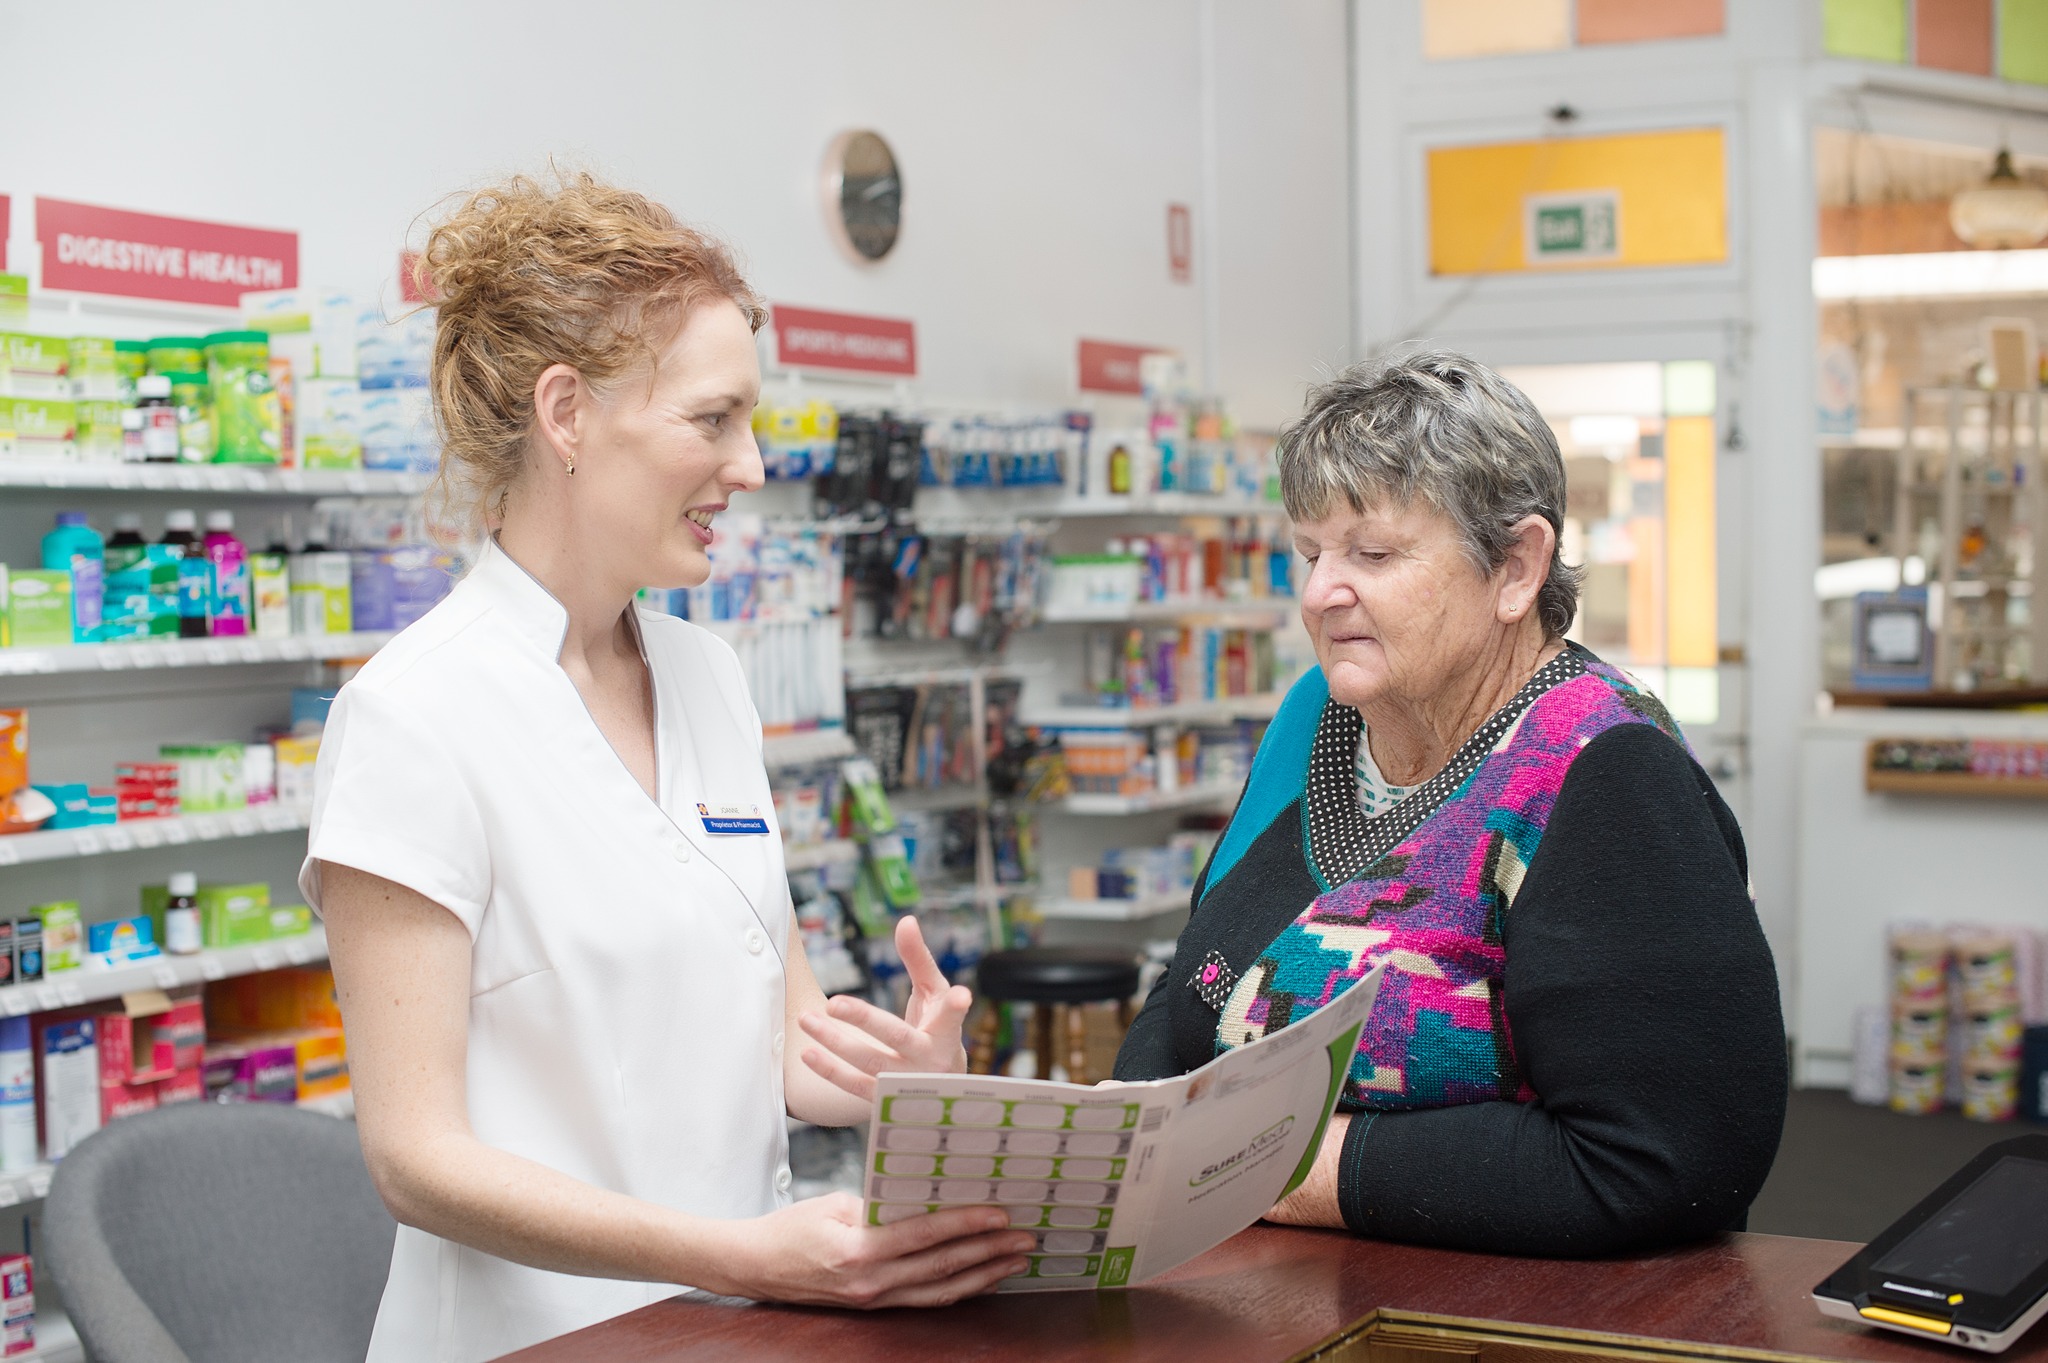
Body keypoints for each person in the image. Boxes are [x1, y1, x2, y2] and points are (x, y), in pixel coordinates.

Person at [305, 174, 1034, 1363]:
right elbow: (414, 1158)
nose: (748, 466)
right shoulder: (413, 715)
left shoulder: (708, 677)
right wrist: (732, 1253)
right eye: (712, 419)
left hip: (737, 1327)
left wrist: (907, 1077)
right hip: (533, 1339)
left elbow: (782, 1037)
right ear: (567, 413)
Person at [1113, 350, 1786, 1257]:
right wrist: (1124, 1139)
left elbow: (1660, 1159)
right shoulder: (1320, 713)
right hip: (1254, 1286)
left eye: (1373, 554)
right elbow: (1195, 979)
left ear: (1516, 566)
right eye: (1310, 552)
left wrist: (1256, 1164)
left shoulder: (1607, 769)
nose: (1319, 593)